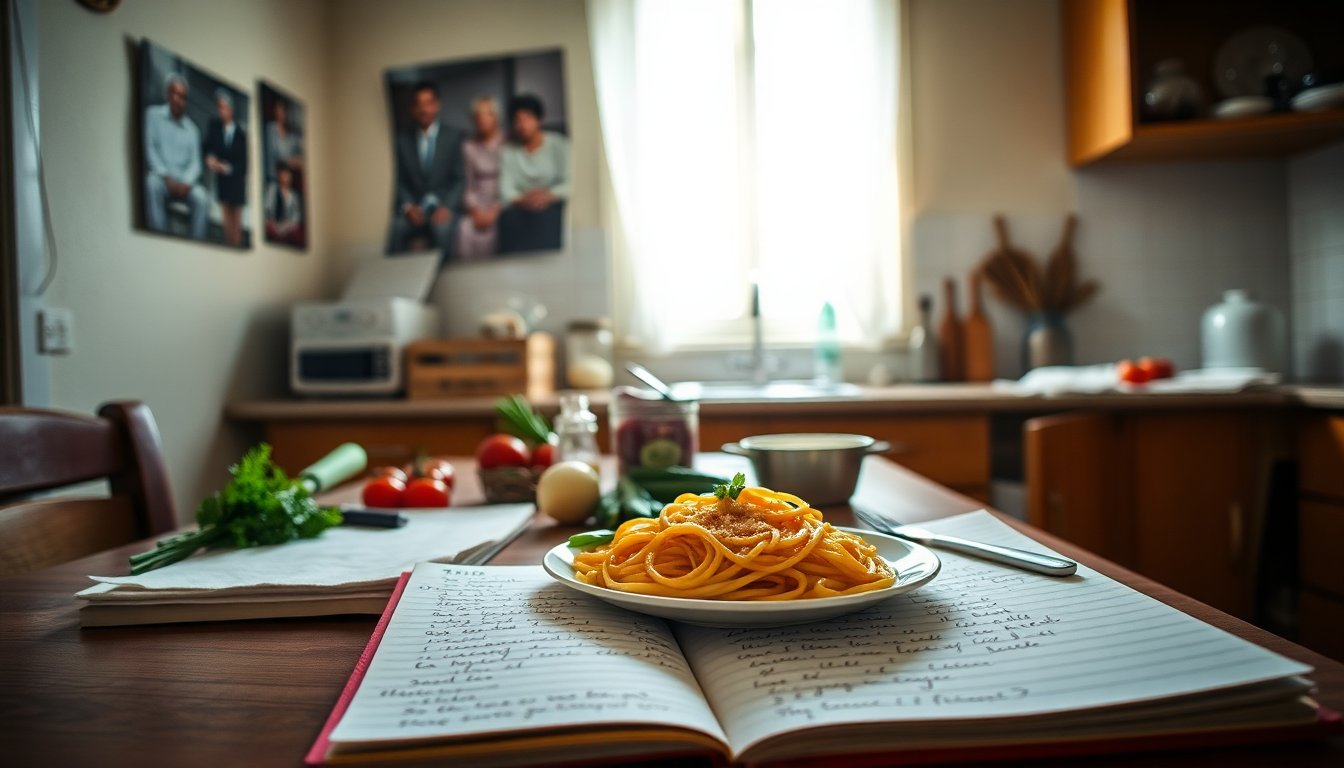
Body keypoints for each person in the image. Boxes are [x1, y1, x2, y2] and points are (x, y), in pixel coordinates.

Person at [387, 81, 465, 255]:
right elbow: (397, 180)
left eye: (428, 103)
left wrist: (448, 206)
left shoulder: (453, 136)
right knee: (395, 228)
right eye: (418, 104)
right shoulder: (401, 140)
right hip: (414, 207)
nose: (423, 109)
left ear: (437, 105)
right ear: (412, 108)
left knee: (443, 231)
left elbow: (459, 179)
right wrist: (407, 207)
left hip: (443, 205)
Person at [497, 94, 569, 254]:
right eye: (517, 120)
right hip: (520, 207)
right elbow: (505, 190)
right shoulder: (508, 151)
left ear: (539, 119)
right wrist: (524, 199)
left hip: (552, 203)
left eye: (528, 118)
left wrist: (547, 196)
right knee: (507, 220)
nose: (523, 125)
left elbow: (570, 182)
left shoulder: (559, 144)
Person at [143, 72, 207, 239]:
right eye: (176, 94)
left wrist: (186, 182)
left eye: (183, 97)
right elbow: (150, 149)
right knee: (151, 184)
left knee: (202, 197)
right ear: (168, 94)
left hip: (184, 183)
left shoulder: (192, 130)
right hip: (162, 178)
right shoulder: (153, 115)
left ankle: (197, 242)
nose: (180, 100)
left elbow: (196, 164)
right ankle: (159, 235)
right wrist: (165, 175)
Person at [454, 96, 504, 262]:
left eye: (487, 114)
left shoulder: (507, 142)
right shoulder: (468, 147)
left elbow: (511, 181)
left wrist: (495, 211)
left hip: (502, 202)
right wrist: (474, 210)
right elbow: (468, 184)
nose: (482, 119)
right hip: (478, 204)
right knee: (464, 228)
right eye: (478, 115)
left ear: (496, 117)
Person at [202, 88, 248, 247]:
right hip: (222, 183)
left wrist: (227, 168)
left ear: (231, 109)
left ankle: (236, 246)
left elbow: (244, 164)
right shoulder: (214, 127)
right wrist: (210, 158)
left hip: (236, 182)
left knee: (237, 226)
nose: (221, 111)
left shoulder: (241, 134)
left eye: (224, 107)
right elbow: (207, 147)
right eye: (219, 107)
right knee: (227, 224)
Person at [264, 98, 303, 183]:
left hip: (287, 181)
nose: (280, 112)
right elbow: (274, 156)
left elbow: (301, 160)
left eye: (282, 110)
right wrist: (289, 161)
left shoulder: (292, 136)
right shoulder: (271, 129)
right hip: (273, 178)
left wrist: (295, 161)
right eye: (278, 109)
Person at [264, 161, 304, 245]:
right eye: (284, 174)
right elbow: (267, 208)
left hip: (287, 227)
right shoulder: (272, 190)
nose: (287, 177)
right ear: (279, 175)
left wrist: (288, 225)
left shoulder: (294, 195)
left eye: (289, 175)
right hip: (273, 224)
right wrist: (271, 222)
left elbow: (296, 216)